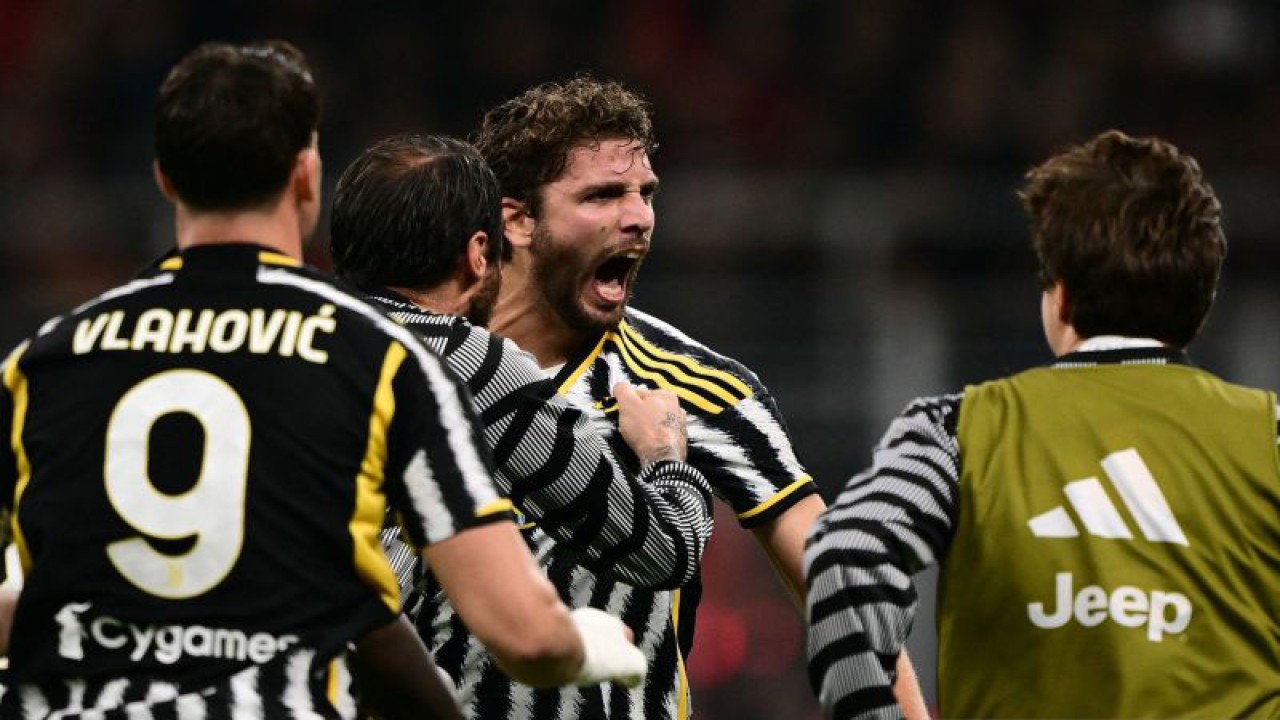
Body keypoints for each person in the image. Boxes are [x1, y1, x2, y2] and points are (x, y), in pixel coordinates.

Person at [0, 41, 646, 719]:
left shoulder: (43, 363)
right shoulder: (382, 360)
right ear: (307, 176)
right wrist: (590, 645)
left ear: (165, 178)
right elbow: (527, 637)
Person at [470, 75, 926, 719]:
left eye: (645, 193)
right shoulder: (415, 362)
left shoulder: (693, 387)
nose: (638, 217)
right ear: (517, 220)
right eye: (603, 195)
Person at [805, 129, 1280, 719]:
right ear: (1200, 302)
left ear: (1062, 298)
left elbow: (848, 555)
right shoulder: (1268, 435)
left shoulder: (955, 432)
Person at [327, 132, 715, 676]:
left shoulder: (292, 339)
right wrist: (665, 453)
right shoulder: (468, 361)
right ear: (478, 254)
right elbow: (661, 551)